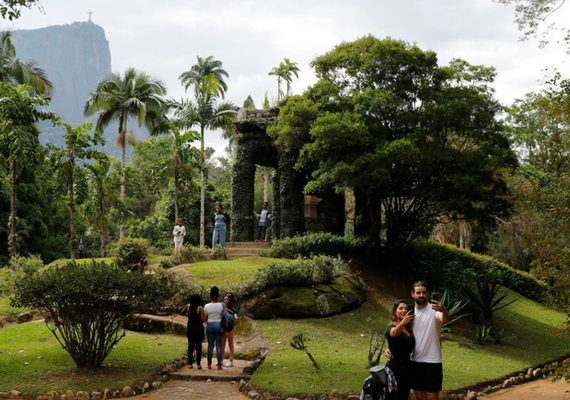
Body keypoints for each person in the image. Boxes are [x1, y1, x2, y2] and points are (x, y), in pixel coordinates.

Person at [409, 281, 449, 400]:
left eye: (424, 293)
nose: (421, 295)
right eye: (418, 293)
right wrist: (389, 349)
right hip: (415, 360)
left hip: (433, 360)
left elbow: (445, 319)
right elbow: (401, 334)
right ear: (412, 294)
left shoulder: (434, 310)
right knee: (419, 396)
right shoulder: (409, 313)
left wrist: (443, 309)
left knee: (432, 397)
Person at [385, 300, 415, 400]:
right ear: (395, 312)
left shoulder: (408, 328)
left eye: (406, 309)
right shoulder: (391, 326)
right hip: (395, 369)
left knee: (404, 396)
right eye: (400, 308)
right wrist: (403, 322)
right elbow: (394, 334)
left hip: (407, 368)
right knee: (393, 397)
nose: (403, 310)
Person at [181, 293, 205, 369]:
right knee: (198, 346)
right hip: (198, 329)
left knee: (190, 346)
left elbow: (182, 312)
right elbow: (203, 319)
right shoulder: (200, 308)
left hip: (190, 328)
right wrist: (207, 317)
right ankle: (198, 364)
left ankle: (190, 364)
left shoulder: (188, 306)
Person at [204, 286, 225, 370]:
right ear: (218, 295)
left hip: (210, 325)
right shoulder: (221, 305)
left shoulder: (207, 306)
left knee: (210, 346)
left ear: (210, 295)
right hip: (218, 325)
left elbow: (205, 316)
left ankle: (209, 364)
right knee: (219, 345)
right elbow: (223, 315)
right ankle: (219, 364)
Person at [221, 292, 238, 367]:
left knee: (230, 344)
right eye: (224, 299)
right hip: (223, 328)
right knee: (222, 344)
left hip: (230, 328)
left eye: (227, 299)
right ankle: (220, 359)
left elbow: (236, 319)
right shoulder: (222, 308)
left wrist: (232, 321)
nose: (225, 301)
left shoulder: (233, 310)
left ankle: (231, 360)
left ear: (230, 300)